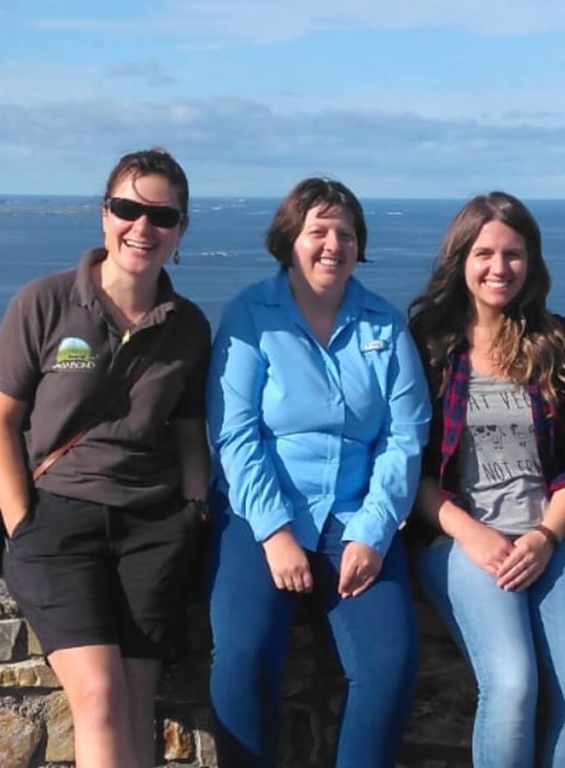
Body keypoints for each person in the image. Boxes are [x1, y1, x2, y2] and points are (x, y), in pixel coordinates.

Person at [0, 147, 211, 768]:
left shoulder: (187, 325)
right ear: (103, 214)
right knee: (100, 693)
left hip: (152, 528)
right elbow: (0, 423)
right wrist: (21, 522)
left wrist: (193, 508)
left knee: (138, 703)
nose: (143, 227)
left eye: (162, 216)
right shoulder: (46, 302)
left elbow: (189, 428)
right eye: (128, 208)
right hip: (58, 521)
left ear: (181, 230)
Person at [206, 177, 431, 767]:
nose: (333, 245)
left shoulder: (385, 324)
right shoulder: (251, 315)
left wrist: (373, 531)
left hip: (357, 514)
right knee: (243, 655)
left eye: (347, 234)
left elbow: (405, 436)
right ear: (290, 241)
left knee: (389, 663)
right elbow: (236, 432)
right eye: (319, 231)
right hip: (262, 511)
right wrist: (276, 534)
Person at [407, 192, 565, 767]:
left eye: (514, 254)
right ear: (460, 259)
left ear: (532, 261)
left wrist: (545, 536)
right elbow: (409, 464)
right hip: (460, 541)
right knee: (513, 683)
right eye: (484, 253)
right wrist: (472, 536)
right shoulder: (429, 346)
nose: (500, 268)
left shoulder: (558, 343)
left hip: (550, 535)